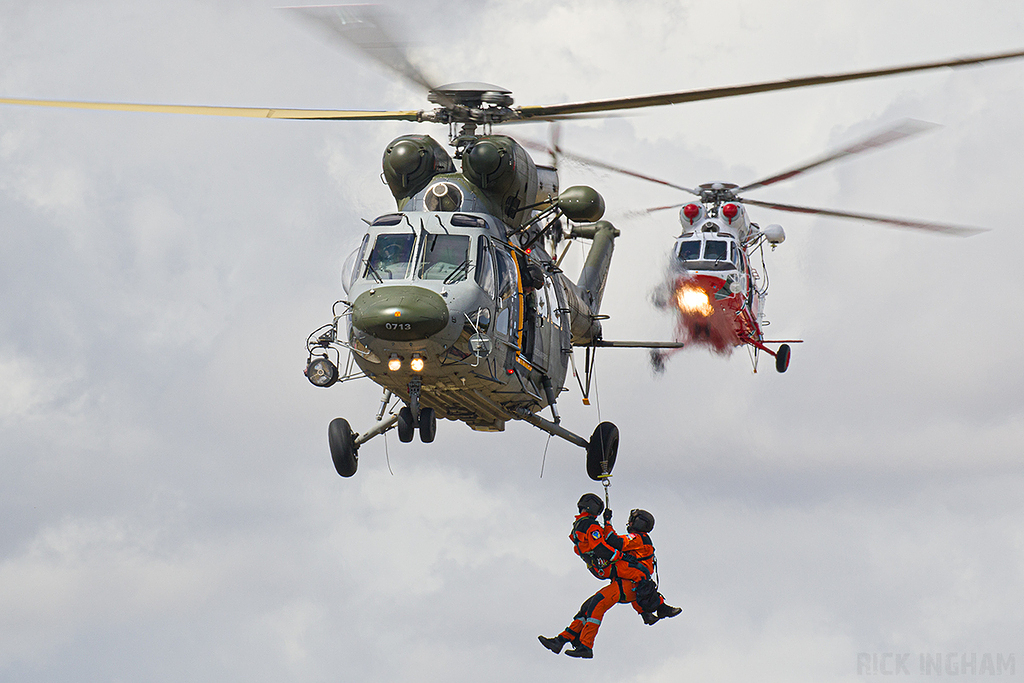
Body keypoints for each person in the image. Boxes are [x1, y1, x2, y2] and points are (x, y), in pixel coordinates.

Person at [538, 495, 682, 659]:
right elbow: (612, 543)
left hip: (628, 585)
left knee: (597, 605)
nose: (629, 523)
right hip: (627, 583)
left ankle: (586, 645)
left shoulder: (638, 538)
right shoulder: (638, 540)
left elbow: (613, 541)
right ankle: (561, 639)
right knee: (587, 607)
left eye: (632, 521)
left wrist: (607, 523)